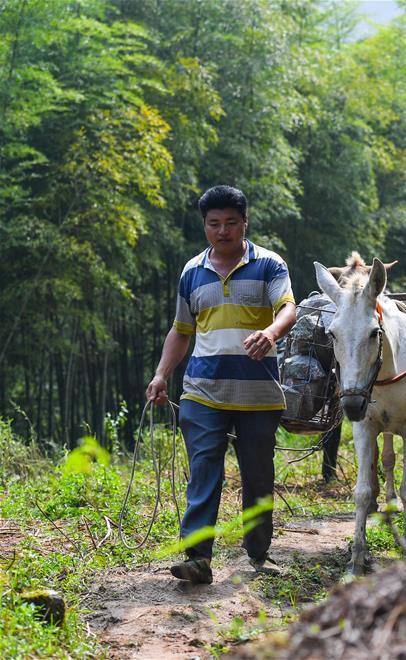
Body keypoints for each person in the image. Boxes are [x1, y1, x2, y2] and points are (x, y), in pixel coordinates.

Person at [146, 185, 297, 584]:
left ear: (245, 222)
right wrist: (161, 374)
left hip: (258, 392)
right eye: (214, 223)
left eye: (231, 222)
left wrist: (271, 332)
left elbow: (288, 308)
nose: (223, 230)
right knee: (203, 470)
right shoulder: (191, 271)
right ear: (205, 226)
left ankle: (259, 552)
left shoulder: (270, 264)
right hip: (203, 390)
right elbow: (181, 330)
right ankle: (197, 557)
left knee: (258, 475)